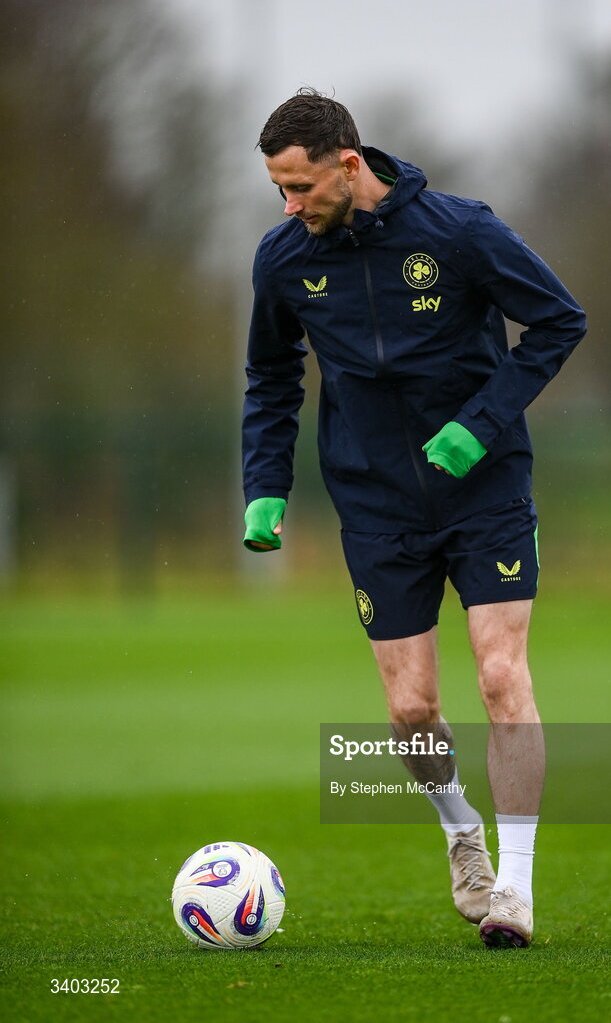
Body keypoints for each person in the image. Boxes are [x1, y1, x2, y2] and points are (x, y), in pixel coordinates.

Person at [241, 88, 587, 949]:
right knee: (410, 711)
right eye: (277, 190)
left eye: (299, 187)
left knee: (502, 678)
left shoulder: (459, 231)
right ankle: (458, 833)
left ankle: (514, 887)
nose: (289, 206)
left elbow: (557, 321)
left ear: (347, 165)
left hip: (485, 487)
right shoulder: (283, 260)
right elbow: (272, 378)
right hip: (374, 499)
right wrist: (266, 484)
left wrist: (479, 426)